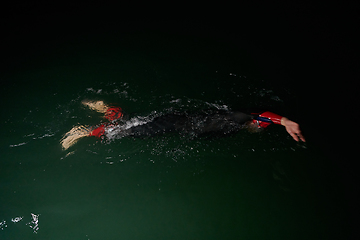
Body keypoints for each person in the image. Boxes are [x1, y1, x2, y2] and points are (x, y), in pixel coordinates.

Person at [60, 100, 306, 150]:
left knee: (134, 125)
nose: (257, 129)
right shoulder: (240, 119)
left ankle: (112, 109)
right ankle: (85, 132)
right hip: (177, 124)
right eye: (258, 127)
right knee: (126, 132)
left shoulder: (235, 121)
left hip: (181, 120)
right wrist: (284, 121)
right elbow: (260, 115)